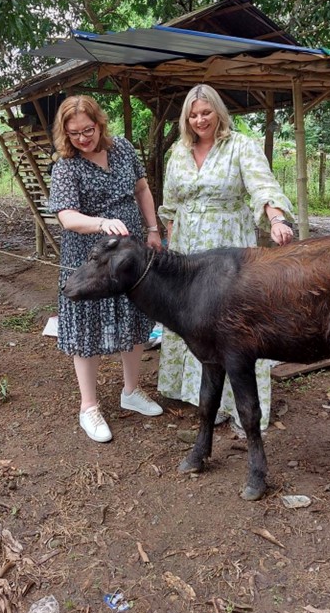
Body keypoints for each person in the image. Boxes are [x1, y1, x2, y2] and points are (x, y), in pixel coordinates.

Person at [157, 84, 294, 432]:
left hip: (228, 246)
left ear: (218, 111)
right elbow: (170, 204)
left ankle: (242, 408)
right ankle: (203, 399)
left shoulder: (240, 147)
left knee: (234, 324)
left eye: (206, 112)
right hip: (188, 247)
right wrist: (172, 244)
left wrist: (276, 218)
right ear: (186, 118)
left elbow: (263, 186)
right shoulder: (178, 151)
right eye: (193, 114)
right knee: (194, 320)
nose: (200, 119)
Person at [48, 95, 163, 442]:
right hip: (89, 257)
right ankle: (89, 407)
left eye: (88, 130)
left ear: (99, 123)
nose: (83, 138)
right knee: (88, 326)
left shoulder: (124, 148)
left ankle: (131, 392)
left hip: (131, 253)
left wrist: (153, 228)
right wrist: (101, 223)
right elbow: (67, 217)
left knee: (134, 316)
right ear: (65, 135)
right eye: (74, 134)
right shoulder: (66, 166)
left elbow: (141, 188)